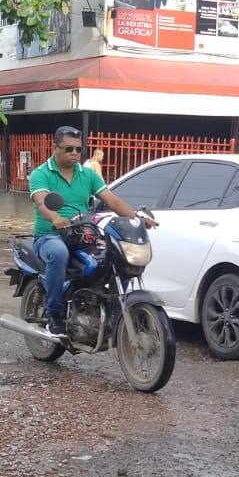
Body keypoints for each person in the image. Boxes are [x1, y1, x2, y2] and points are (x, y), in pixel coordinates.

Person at [29, 127, 154, 336]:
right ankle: (54, 315)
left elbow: (111, 199)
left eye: (78, 149)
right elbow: (42, 203)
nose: (74, 153)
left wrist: (136, 217)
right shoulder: (40, 174)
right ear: (55, 148)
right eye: (68, 148)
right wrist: (56, 218)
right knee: (58, 253)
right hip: (50, 235)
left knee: (116, 254)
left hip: (81, 233)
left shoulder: (87, 174)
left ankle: (113, 311)